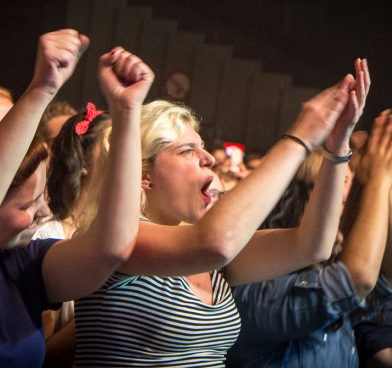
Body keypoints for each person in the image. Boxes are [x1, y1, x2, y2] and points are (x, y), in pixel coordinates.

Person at [72, 54, 369, 366]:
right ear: (144, 174)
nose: (208, 158)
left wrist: (337, 147)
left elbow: (311, 246)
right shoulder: (120, 238)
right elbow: (216, 243)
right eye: (187, 150)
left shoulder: (208, 257)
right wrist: (301, 138)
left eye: (202, 147)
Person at [0, 28, 154, 367]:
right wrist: (42, 88)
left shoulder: (22, 263)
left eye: (41, 196)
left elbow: (112, 248)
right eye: (26, 205)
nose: (44, 211)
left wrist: (126, 113)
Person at [226, 109, 392, 368]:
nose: (354, 193)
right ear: (312, 199)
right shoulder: (255, 286)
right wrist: (379, 179)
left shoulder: (331, 262)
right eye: (348, 182)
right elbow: (355, 279)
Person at [35, 105, 110, 368]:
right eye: (112, 144)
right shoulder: (49, 236)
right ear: (85, 163)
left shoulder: (129, 234)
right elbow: (41, 353)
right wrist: (101, 313)